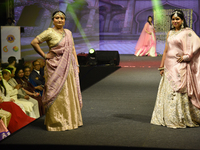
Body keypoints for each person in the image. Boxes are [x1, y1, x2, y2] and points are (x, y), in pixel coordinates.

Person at [31, 10, 83, 131]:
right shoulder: (49, 32)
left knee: (69, 91)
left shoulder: (68, 32)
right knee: (55, 92)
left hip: (69, 65)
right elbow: (34, 42)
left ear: (65, 20)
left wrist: (77, 65)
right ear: (53, 19)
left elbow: (73, 48)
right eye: (57, 18)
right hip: (54, 66)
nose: (59, 20)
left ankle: (71, 119)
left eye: (62, 18)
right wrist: (44, 55)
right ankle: (56, 122)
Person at [151, 10, 200, 128]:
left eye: (177, 19)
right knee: (168, 90)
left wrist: (187, 56)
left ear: (182, 20)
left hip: (180, 65)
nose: (175, 21)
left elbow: (197, 44)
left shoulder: (187, 33)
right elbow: (166, 50)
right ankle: (168, 116)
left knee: (178, 89)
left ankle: (180, 117)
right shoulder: (170, 33)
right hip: (169, 65)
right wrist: (161, 66)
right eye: (173, 19)